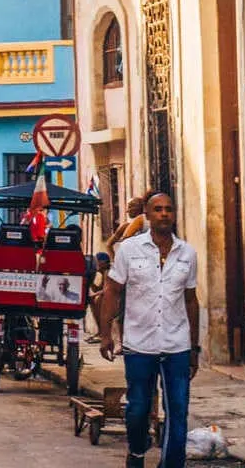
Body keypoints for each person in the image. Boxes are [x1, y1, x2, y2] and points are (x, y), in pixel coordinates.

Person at [99, 191, 199, 468]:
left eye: (168, 209)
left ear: (174, 214)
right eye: (158, 209)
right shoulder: (130, 250)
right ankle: (138, 451)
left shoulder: (187, 253)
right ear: (148, 214)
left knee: (178, 411)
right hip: (139, 345)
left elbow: (191, 301)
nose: (164, 214)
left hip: (177, 345)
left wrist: (194, 348)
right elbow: (112, 292)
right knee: (138, 409)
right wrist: (107, 334)